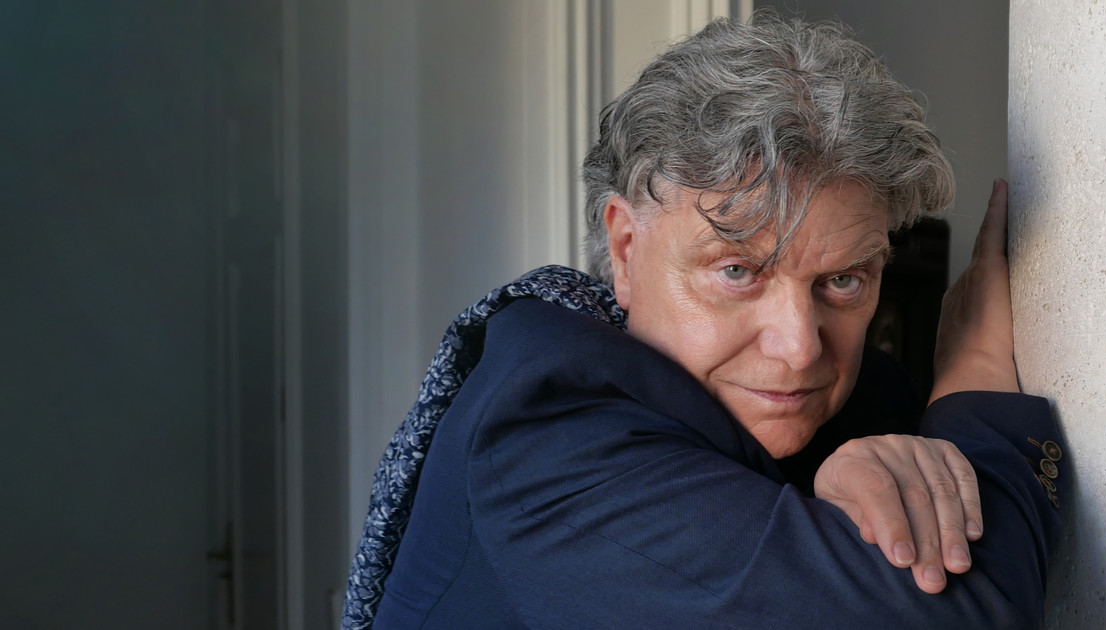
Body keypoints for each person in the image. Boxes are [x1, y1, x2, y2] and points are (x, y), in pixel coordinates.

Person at [344, 12, 1068, 629]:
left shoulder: (864, 397)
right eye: (737, 271)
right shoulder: (544, 439)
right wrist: (973, 373)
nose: (798, 347)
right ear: (625, 249)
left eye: (844, 280)